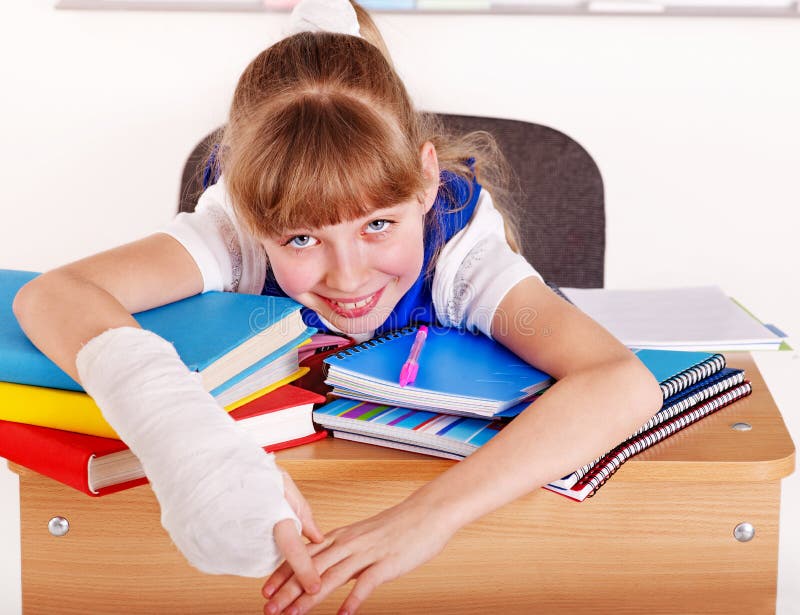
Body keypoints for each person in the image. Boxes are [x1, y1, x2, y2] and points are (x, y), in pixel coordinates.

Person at [12, 0, 663, 613]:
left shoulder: (461, 252)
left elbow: (619, 381)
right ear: (248, 210)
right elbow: (51, 296)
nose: (349, 275)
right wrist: (193, 444)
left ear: (427, 180)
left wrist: (424, 517)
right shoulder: (236, 229)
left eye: (379, 225)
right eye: (301, 238)